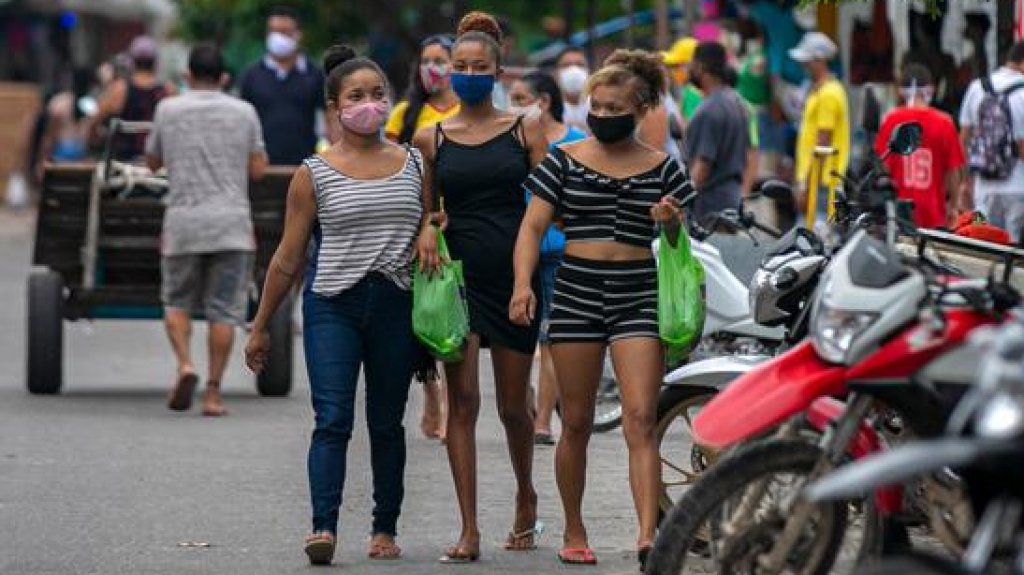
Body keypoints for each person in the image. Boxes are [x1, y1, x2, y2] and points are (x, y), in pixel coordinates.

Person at [245, 44, 432, 566]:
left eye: (377, 94)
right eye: (356, 96)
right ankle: (322, 525)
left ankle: (383, 527)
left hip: (396, 303)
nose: (368, 104)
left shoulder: (415, 162)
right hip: (332, 305)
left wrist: (431, 232)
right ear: (335, 107)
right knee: (332, 418)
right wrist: (261, 326)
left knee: (387, 421)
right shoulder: (314, 173)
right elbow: (287, 257)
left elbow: (434, 219)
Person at [512, 49, 694, 569]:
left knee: (641, 417)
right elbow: (531, 227)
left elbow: (681, 237)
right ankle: (573, 526)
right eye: (597, 104)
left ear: (639, 111)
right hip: (577, 289)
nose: (602, 113)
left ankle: (647, 534)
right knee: (576, 420)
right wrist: (522, 284)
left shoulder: (663, 167)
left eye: (614, 106)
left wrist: (670, 222)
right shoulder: (564, 159)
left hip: (637, 289)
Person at [411, 10, 548, 562]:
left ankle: (526, 495)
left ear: (497, 68)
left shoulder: (525, 127)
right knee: (462, 403)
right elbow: (427, 211)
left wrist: (526, 279)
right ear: (448, 72)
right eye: (458, 65)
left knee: (514, 408)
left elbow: (544, 207)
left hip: (513, 277)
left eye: (478, 65)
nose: (467, 72)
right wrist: (427, 226)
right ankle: (468, 527)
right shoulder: (431, 137)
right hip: (457, 281)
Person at [145, 43, 268, 417]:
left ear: (186, 76)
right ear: (225, 78)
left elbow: (152, 163)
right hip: (231, 226)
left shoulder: (168, 109)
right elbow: (259, 169)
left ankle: (185, 365)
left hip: (183, 225)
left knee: (177, 301)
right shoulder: (244, 112)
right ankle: (213, 393)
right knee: (223, 312)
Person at [385, 33, 460, 441]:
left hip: (457, 223)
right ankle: (430, 396)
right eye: (426, 60)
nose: (433, 67)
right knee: (422, 316)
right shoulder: (405, 113)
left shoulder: (470, 110)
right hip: (416, 223)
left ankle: (450, 406)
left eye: (440, 59)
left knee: (449, 313)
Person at [507, 71, 587, 445]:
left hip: (560, 253)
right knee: (517, 337)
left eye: (521, 98)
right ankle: (524, 407)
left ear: (544, 101)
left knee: (552, 338)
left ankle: (542, 421)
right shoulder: (510, 140)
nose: (514, 105)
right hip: (518, 252)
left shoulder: (576, 144)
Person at [877, 64, 965, 230]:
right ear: (931, 89)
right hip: (934, 213)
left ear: (901, 90)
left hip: (899, 213)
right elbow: (954, 171)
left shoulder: (891, 120)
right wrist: (953, 206)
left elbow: (883, 167)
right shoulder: (944, 122)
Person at [239, 6, 325, 165]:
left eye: (284, 32)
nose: (277, 38)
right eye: (273, 32)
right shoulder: (251, 76)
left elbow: (330, 116)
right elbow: (242, 122)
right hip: (262, 169)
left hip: (305, 167)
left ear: (298, 35)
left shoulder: (314, 74)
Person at [959, 41, 1024, 240]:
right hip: (1017, 191)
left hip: (982, 191)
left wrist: (965, 182)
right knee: (1012, 251)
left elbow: (963, 139)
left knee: (981, 242)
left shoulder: (977, 87)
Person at [684, 42, 751, 220]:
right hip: (732, 200)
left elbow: (703, 166)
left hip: (710, 207)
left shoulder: (709, 110)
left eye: (692, 64)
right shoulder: (737, 103)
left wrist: (682, 201)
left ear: (701, 67)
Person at [790, 32, 849, 218]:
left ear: (819, 60)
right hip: (816, 178)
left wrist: (808, 186)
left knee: (810, 238)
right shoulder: (820, 90)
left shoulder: (828, 95)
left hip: (821, 181)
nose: (803, 65)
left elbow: (823, 144)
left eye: (807, 61)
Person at [93, 35, 173, 161]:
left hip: (123, 164)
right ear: (155, 62)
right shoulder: (168, 91)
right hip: (159, 164)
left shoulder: (119, 90)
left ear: (132, 61)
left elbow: (95, 121)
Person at [386, 34, 460, 145]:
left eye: (439, 62)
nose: (430, 68)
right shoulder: (403, 112)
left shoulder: (472, 110)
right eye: (425, 62)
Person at [554, 46, 591, 134]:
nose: (574, 70)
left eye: (580, 65)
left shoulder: (600, 106)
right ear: (556, 72)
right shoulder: (549, 111)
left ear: (589, 70)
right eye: (566, 65)